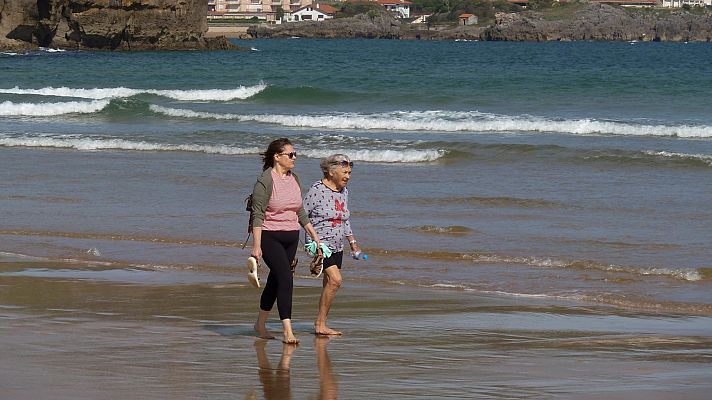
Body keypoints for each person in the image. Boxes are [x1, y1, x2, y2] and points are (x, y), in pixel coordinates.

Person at [251, 138, 322, 344]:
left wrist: (314, 235)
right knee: (286, 279)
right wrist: (256, 246)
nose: (294, 158)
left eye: (295, 154)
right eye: (290, 154)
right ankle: (288, 330)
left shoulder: (294, 178)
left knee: (275, 282)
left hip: (292, 237)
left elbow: (299, 210)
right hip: (269, 236)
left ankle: (260, 325)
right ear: (277, 157)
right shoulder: (265, 181)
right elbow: (258, 215)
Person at [303, 154, 361, 336]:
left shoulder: (344, 191)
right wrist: (312, 241)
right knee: (336, 281)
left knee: (329, 283)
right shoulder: (317, 189)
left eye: (350, 172)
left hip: (337, 245)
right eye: (344, 172)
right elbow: (301, 215)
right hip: (320, 245)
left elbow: (345, 218)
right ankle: (320, 324)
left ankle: (322, 323)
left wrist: (353, 243)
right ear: (331, 171)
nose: (348, 176)